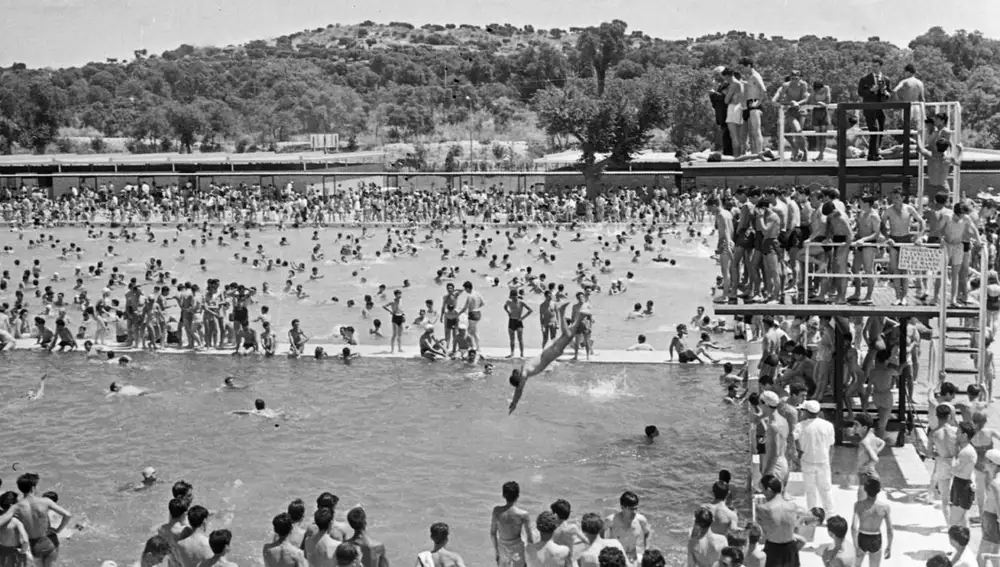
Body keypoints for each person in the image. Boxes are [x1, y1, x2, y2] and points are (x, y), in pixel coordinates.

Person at [508, 303, 583, 414]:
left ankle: (561, 312)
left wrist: (514, 403)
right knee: (568, 334)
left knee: (568, 335)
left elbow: (518, 389)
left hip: (550, 354)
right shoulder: (524, 372)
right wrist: (514, 402)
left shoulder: (524, 373)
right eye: (515, 374)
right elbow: (518, 390)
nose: (515, 372)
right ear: (518, 378)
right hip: (548, 351)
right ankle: (580, 315)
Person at [9, 473, 72, 567]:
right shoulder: (45, 501)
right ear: (33, 488)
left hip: (34, 545)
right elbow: (67, 515)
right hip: (50, 541)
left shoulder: (17, 507)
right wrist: (58, 530)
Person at [795, 399, 835, 514]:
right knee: (826, 490)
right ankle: (830, 514)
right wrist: (829, 461)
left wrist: (798, 453)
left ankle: (812, 514)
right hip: (823, 462)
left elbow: (792, 439)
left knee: (810, 491)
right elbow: (831, 445)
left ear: (806, 412)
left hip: (807, 462)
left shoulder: (800, 426)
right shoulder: (828, 426)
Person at [755, 475, 798, 567]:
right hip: (791, 548)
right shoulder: (793, 506)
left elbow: (763, 532)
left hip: (773, 548)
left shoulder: (763, 508)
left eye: (763, 490)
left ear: (769, 490)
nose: (762, 493)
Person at [851, 477, 893, 567]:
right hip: (876, 538)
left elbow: (853, 528)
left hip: (862, 537)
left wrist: (856, 546)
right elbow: (890, 530)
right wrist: (889, 546)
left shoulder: (858, 505)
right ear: (879, 490)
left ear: (865, 490)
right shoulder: (885, 508)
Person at [857, 57, 893, 161]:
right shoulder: (865, 79)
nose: (874, 68)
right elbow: (860, 92)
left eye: (876, 66)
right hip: (869, 108)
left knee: (880, 130)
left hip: (881, 108)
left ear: (880, 66)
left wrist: (886, 93)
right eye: (872, 66)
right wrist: (871, 90)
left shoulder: (886, 79)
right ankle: (873, 154)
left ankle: (874, 153)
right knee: (874, 129)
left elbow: (890, 93)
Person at [602, 491, 650, 566]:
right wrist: (602, 548)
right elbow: (600, 531)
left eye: (636, 508)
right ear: (622, 507)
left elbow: (647, 532)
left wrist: (646, 549)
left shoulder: (641, 520)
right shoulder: (611, 520)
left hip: (632, 557)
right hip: (615, 558)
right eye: (631, 509)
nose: (634, 512)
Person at [491, 481, 532, 567]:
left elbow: (493, 534)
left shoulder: (497, 511)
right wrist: (530, 556)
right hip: (517, 549)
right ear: (518, 496)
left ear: (503, 495)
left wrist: (497, 552)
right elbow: (530, 539)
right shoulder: (523, 514)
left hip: (502, 548)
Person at [504, 289, 533, 358]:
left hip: (518, 321)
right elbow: (504, 307)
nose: (513, 299)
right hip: (511, 321)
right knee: (512, 339)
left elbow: (530, 310)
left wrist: (522, 318)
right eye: (512, 298)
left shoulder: (521, 302)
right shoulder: (508, 301)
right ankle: (512, 353)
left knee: (520, 339)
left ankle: (522, 354)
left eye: (514, 297)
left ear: (517, 296)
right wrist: (508, 312)